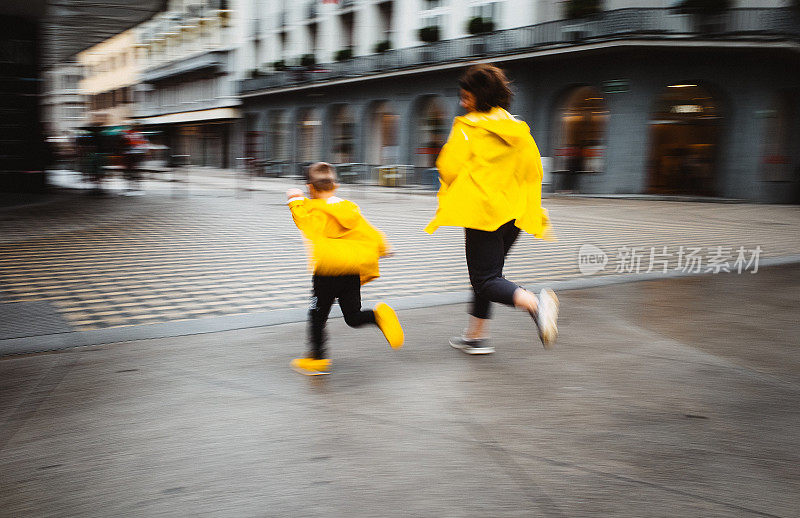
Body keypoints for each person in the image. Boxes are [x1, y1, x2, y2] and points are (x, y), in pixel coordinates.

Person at [424, 64, 559, 354]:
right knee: (488, 274)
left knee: (485, 280)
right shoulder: (517, 128)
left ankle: (535, 304)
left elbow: (447, 168)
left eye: (466, 96)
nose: (462, 102)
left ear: (479, 97)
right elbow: (534, 170)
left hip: (483, 212)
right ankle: (474, 337)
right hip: (515, 213)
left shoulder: (468, 127)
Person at [287, 162, 404, 376]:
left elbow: (303, 221)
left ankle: (317, 358)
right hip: (351, 270)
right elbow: (368, 230)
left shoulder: (315, 209)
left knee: (317, 316)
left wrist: (294, 200)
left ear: (310, 188)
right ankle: (378, 316)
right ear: (335, 185)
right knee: (353, 315)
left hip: (327, 272)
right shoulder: (348, 207)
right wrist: (384, 246)